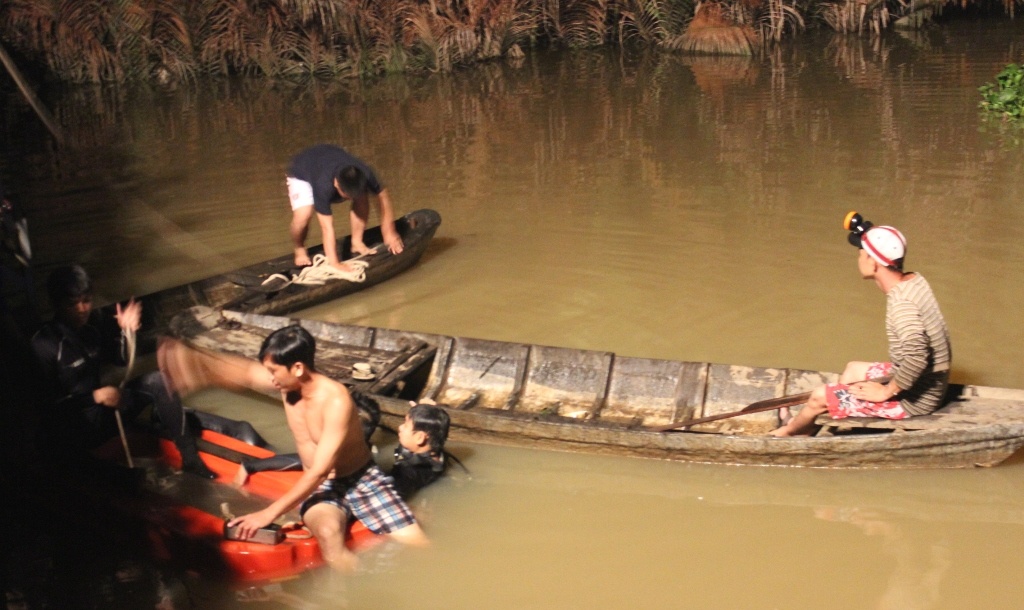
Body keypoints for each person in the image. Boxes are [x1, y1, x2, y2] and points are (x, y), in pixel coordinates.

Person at [157, 324, 429, 573]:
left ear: (298, 368)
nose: (270, 379)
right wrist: (194, 362)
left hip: (361, 480)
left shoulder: (335, 400)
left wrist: (267, 514)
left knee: (419, 544)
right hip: (324, 489)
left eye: (274, 371)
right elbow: (243, 372)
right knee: (328, 535)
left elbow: (320, 470)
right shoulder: (287, 382)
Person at [771, 215, 952, 437]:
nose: (859, 259)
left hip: (916, 399)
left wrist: (886, 391)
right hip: (927, 379)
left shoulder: (902, 306)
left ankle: (789, 434)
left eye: (861, 254)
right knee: (853, 369)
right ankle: (823, 425)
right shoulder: (913, 281)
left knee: (818, 396)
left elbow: (917, 357)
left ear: (873, 263)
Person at [31, 265, 216, 478]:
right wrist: (95, 396)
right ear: (58, 304)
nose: (82, 309)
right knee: (130, 481)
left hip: (102, 417)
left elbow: (120, 360)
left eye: (87, 301)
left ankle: (191, 461)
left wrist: (126, 332)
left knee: (159, 380)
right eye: (73, 304)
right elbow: (46, 409)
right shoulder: (44, 344)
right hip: (73, 430)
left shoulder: (92, 328)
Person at [286, 144, 404, 271]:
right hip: (302, 172)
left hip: (329, 158)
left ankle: (357, 242)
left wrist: (389, 232)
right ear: (336, 184)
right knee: (303, 216)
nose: (350, 198)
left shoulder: (365, 172)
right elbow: (326, 228)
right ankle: (299, 247)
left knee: (362, 196)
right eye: (347, 195)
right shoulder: (323, 185)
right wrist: (335, 264)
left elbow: (383, 197)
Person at [391, 401, 450, 498]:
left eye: (405, 425)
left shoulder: (405, 473)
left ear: (420, 438)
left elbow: (393, 498)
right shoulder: (438, 454)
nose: (400, 427)